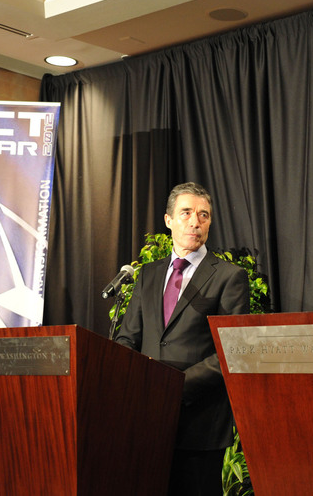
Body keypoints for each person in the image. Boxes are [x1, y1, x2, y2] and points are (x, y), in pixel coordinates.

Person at [116, 182, 250, 496]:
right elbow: (127, 339)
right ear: (168, 220)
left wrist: (172, 386)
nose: (195, 221)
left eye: (203, 215)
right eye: (186, 213)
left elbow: (231, 350)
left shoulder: (229, 277)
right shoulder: (147, 274)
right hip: (146, 420)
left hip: (200, 423)